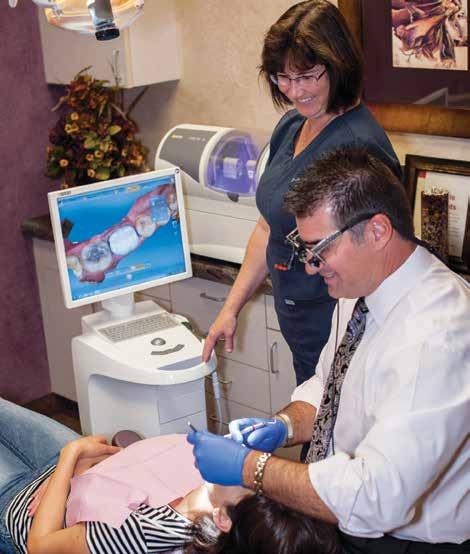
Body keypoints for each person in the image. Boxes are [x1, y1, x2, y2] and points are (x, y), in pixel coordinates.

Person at [189, 147, 470, 553]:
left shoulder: (438, 334)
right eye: (305, 249)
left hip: (403, 538)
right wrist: (284, 425)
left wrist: (251, 469)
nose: (309, 266)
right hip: (345, 514)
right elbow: (328, 386)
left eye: (319, 249)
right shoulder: (360, 287)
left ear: (377, 231)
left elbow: (376, 499)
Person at [202, 0, 402, 386]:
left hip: (341, 331)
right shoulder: (293, 125)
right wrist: (231, 308)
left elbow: (383, 258)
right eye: (284, 77)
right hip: (300, 326)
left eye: (308, 76)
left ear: (338, 65)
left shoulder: (358, 144)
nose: (296, 91)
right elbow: (268, 228)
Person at [0, 398, 340, 554]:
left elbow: (40, 547)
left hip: (20, 504)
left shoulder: (146, 533)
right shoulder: (214, 506)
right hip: (78, 471)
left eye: (249, 477)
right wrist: (85, 465)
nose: (247, 461)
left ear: (222, 519)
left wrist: (70, 456)